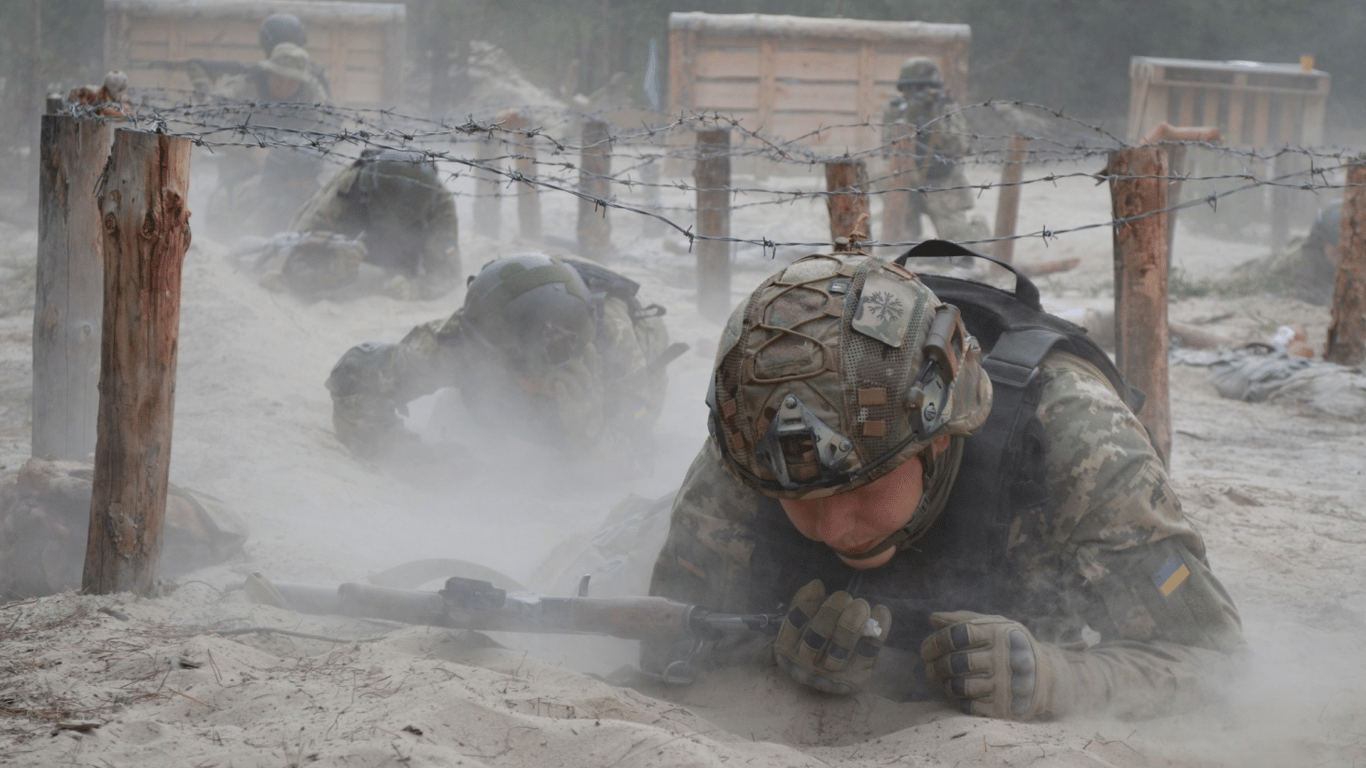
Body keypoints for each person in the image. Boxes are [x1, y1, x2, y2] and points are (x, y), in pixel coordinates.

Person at [644, 241, 1244, 721]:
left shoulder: (1078, 441)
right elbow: (664, 632)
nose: (827, 527)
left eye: (857, 489)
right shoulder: (755, 434)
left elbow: (1216, 665)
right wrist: (770, 655)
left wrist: (1061, 679)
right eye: (794, 498)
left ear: (939, 434)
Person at [326, 253, 679, 467]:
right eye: (521, 373)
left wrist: (590, 429)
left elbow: (634, 461)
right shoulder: (468, 339)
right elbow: (354, 377)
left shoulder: (616, 346)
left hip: (607, 381)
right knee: (466, 420)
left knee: (573, 466)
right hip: (522, 310)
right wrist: (413, 458)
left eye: (548, 374)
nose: (536, 385)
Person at [263, 148, 461, 299]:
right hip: (346, 247)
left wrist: (415, 288)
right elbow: (294, 248)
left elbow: (447, 272)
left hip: (402, 262)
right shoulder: (348, 188)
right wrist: (327, 274)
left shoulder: (439, 202)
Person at [204, 42, 332, 242]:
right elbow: (209, 119)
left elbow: (329, 127)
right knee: (241, 190)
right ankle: (234, 224)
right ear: (268, 72)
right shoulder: (247, 85)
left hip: (294, 159)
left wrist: (305, 151)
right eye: (279, 77)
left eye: (293, 81)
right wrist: (249, 147)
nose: (285, 85)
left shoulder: (312, 91)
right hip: (245, 154)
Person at [881, 58, 988, 243]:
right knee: (902, 241)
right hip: (908, 182)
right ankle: (911, 241)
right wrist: (908, 117)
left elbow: (958, 148)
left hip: (942, 181)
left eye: (924, 88)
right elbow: (887, 150)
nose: (917, 94)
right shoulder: (896, 109)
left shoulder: (945, 107)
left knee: (961, 246)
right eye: (912, 89)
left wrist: (937, 118)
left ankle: (980, 228)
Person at [1225, 201, 1341, 305]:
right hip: (1256, 275)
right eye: (1336, 248)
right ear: (1322, 242)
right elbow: (1305, 295)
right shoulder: (1305, 259)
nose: (1342, 255)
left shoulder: (1338, 262)